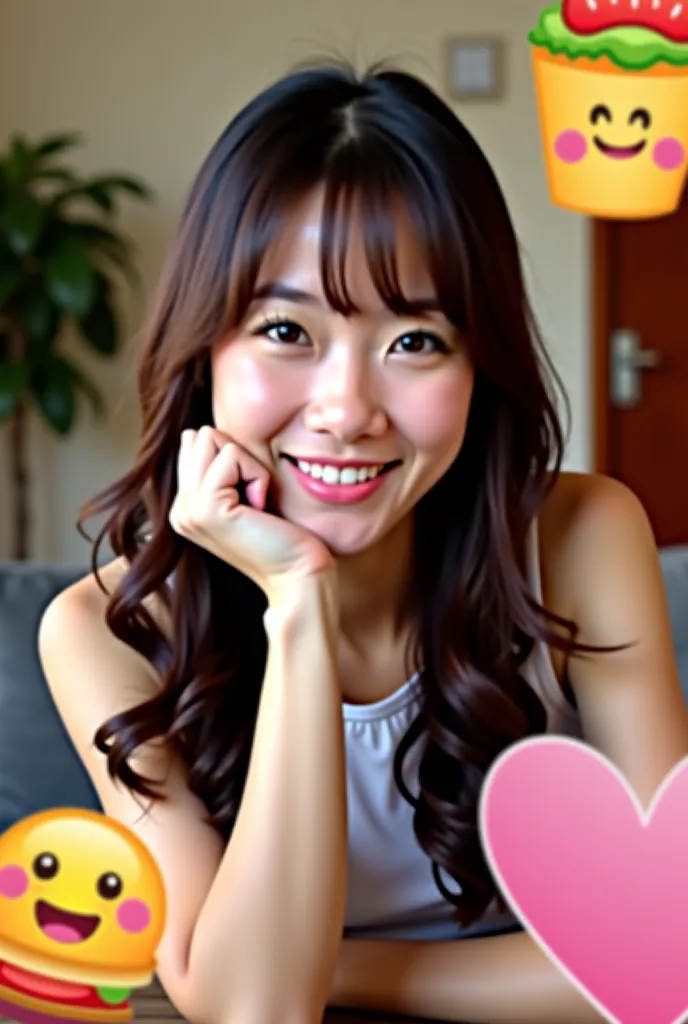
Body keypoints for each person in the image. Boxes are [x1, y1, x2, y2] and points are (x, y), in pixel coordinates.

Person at [37, 60, 688, 1024]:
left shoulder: (584, 538)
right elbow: (257, 1014)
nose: (345, 412)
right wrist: (298, 601)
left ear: (480, 363)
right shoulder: (106, 631)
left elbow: (664, 951)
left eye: (415, 341)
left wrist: (340, 969)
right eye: (285, 329)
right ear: (204, 349)